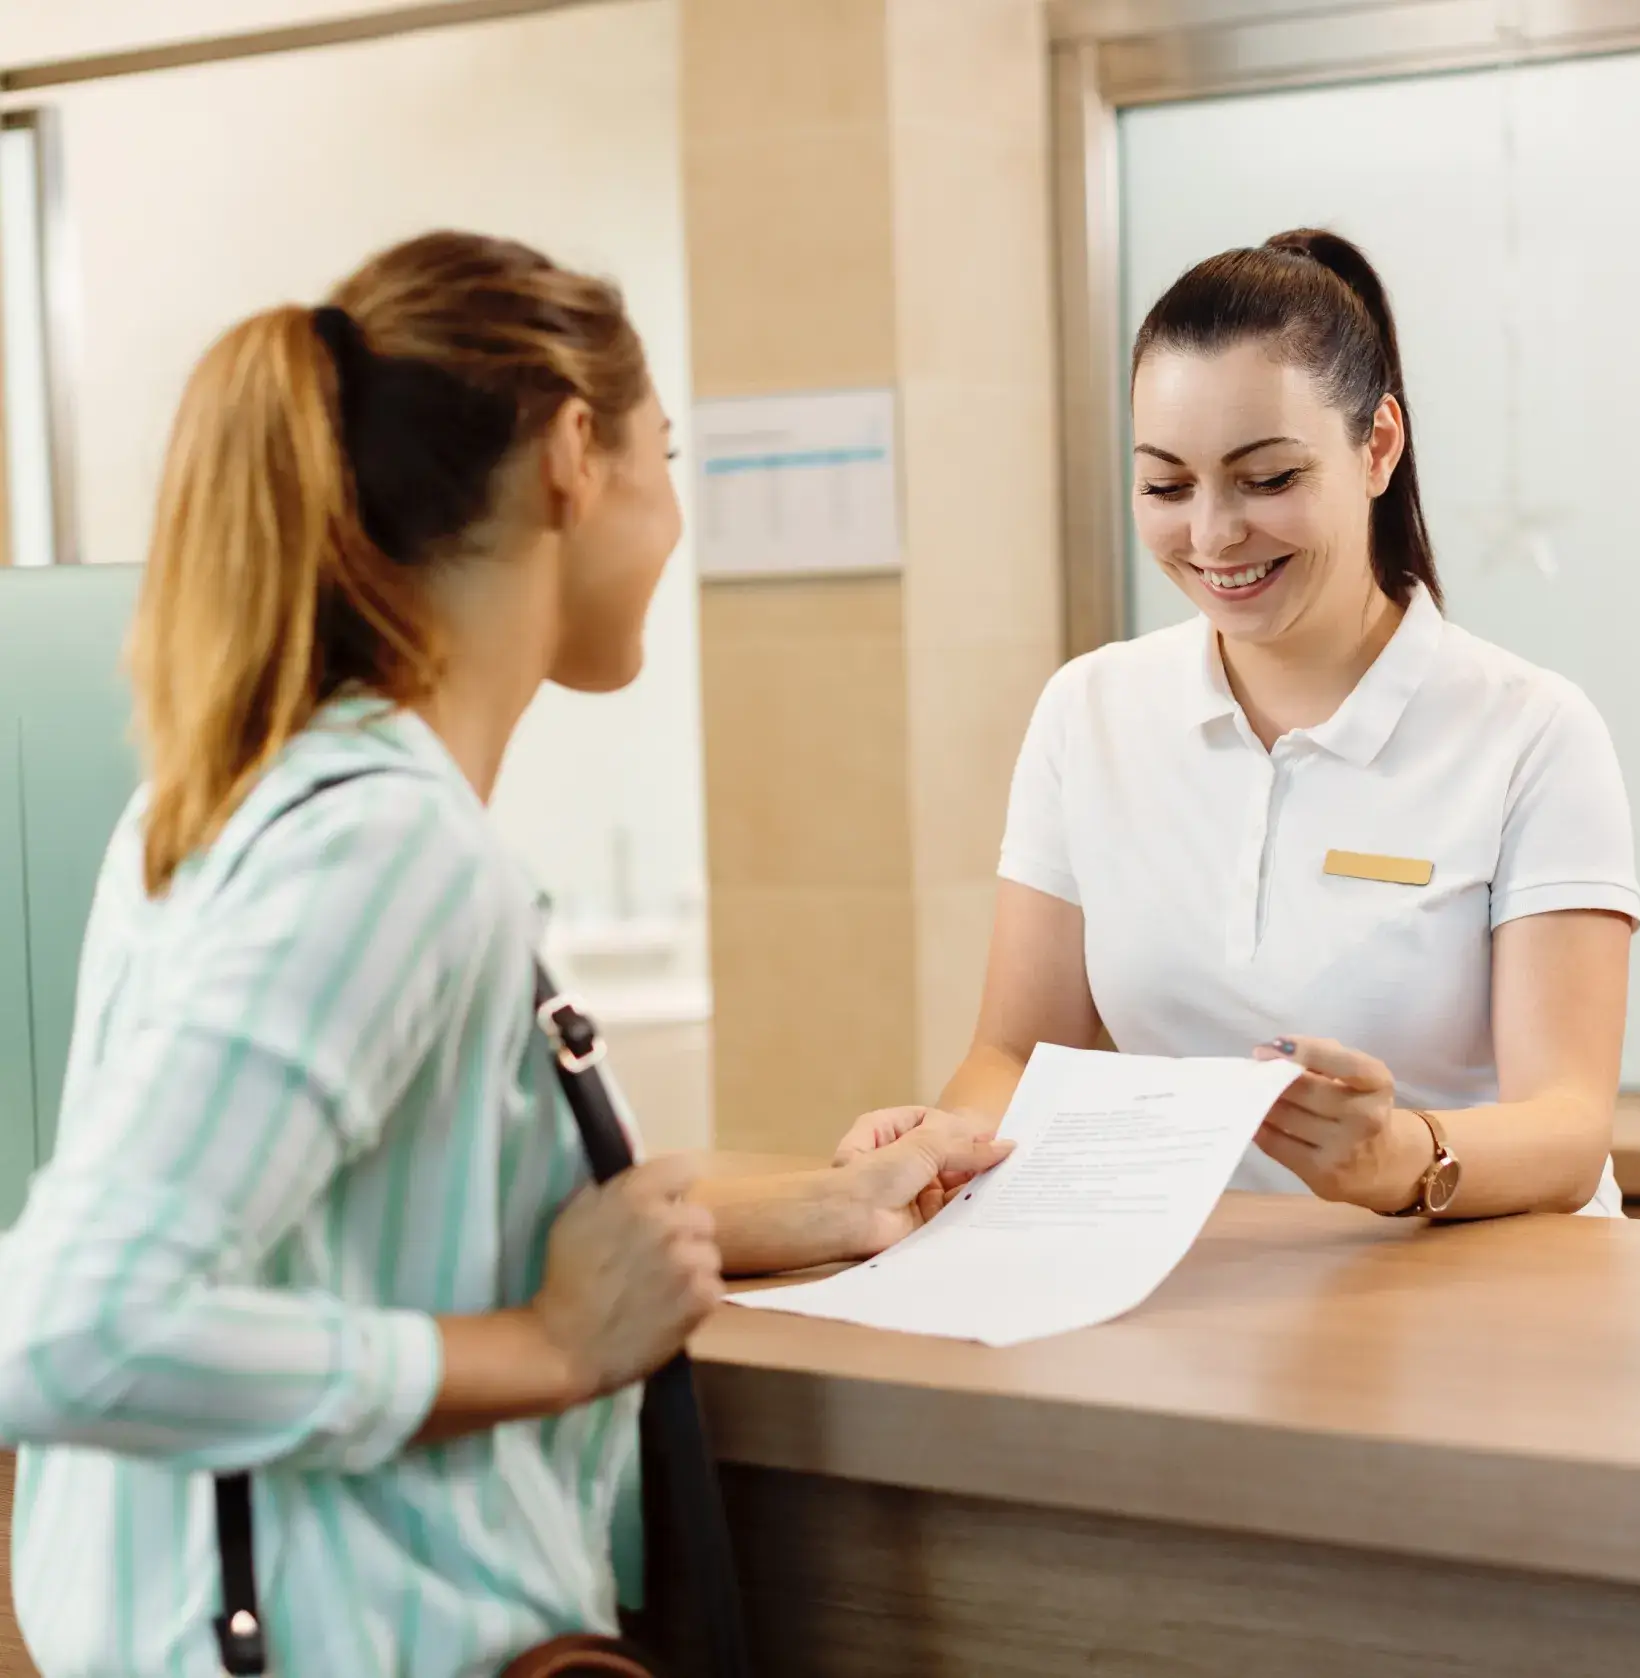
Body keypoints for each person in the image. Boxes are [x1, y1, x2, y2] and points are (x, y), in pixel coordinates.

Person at [0, 231, 1007, 1678]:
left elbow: (365, 1235)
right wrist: (547, 1348)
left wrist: (816, 1210)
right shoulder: (383, 849)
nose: (673, 519)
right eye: (666, 457)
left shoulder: (234, 796)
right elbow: (71, 1330)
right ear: (573, 455)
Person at [840, 228, 1638, 1222]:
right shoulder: (1087, 713)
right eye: (1166, 485)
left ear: (1376, 446)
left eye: (1266, 479)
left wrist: (1405, 1156)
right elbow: (1014, 1054)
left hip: (1484, 1293)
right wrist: (941, 1148)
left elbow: (1566, 1125)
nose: (1213, 535)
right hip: (1202, 1294)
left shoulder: (1530, 732)